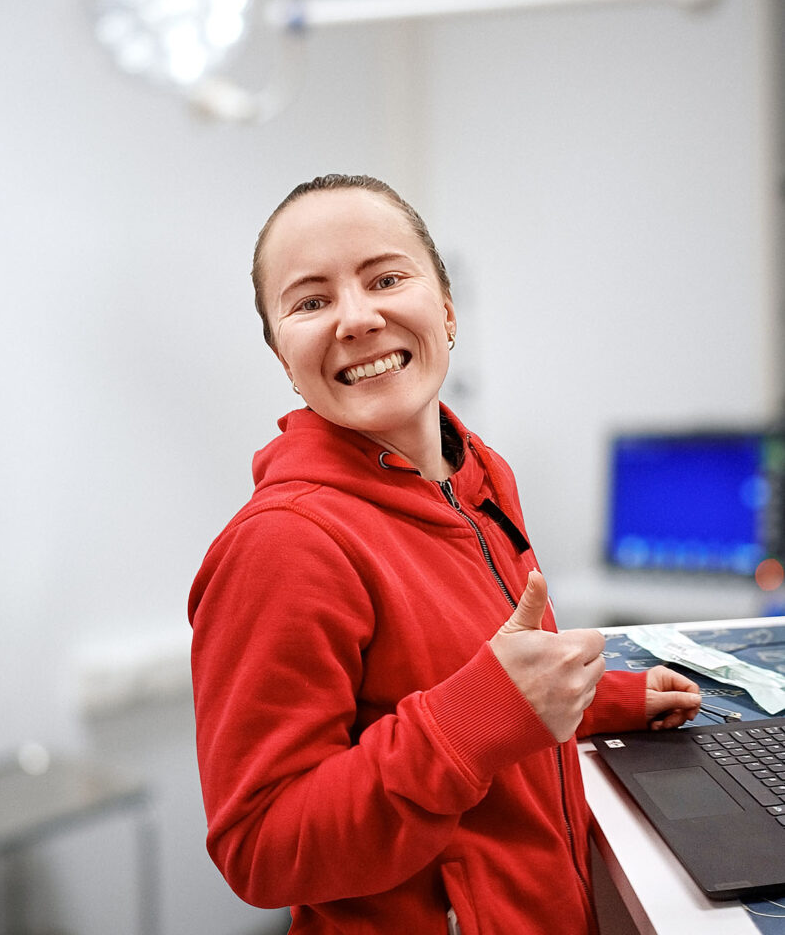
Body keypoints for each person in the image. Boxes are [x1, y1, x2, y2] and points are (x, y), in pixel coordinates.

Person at [188, 174, 701, 935]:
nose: (357, 318)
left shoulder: (478, 477)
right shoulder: (284, 545)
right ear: (282, 356)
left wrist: (603, 697)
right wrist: (481, 714)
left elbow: (480, 684)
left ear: (448, 309)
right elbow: (261, 848)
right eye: (311, 301)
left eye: (385, 279)